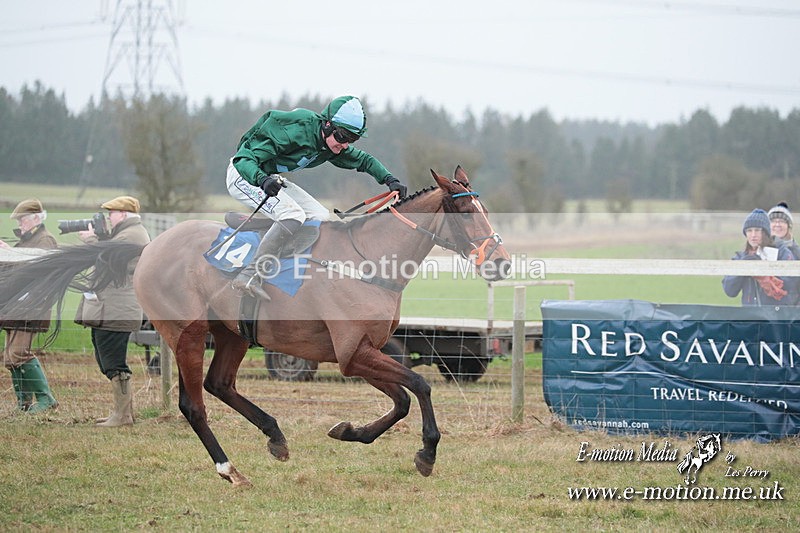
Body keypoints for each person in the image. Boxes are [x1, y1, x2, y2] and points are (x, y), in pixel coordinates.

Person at [226, 95, 407, 299]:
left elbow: (363, 160)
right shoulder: (295, 129)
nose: (345, 144)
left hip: (270, 178)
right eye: (343, 137)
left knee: (319, 216)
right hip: (244, 174)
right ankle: (250, 274)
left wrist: (390, 179)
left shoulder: (330, 143)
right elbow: (243, 158)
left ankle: (273, 246)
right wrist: (261, 179)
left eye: (352, 139)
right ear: (328, 125)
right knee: (292, 214)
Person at [75, 196, 150, 427]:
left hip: (118, 309)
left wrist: (92, 240)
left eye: (112, 213)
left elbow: (106, 259)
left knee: (114, 362)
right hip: (112, 308)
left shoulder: (132, 235)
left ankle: (123, 416)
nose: (109, 217)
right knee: (107, 359)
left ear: (124, 214)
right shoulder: (126, 233)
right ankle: (123, 413)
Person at [1, 199, 59, 413]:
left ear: (36, 218)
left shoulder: (45, 240)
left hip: (31, 306)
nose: (20, 223)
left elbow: (36, 271)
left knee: (18, 353)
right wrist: (7, 252)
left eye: (23, 219)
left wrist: (11, 252)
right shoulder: (27, 240)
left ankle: (47, 400)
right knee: (9, 357)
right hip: (16, 305)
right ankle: (23, 404)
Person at [722, 208, 797, 306]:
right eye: (749, 231)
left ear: (766, 233)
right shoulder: (740, 257)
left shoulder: (781, 252)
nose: (753, 235)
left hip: (777, 315)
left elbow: (793, 283)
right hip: (750, 316)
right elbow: (729, 291)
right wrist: (742, 268)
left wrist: (764, 271)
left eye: (757, 230)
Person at [768, 202, 800, 305]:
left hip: (791, 310)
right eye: (773, 221)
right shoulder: (759, 250)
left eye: (781, 221)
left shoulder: (796, 251)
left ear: (788, 226)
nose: (777, 224)